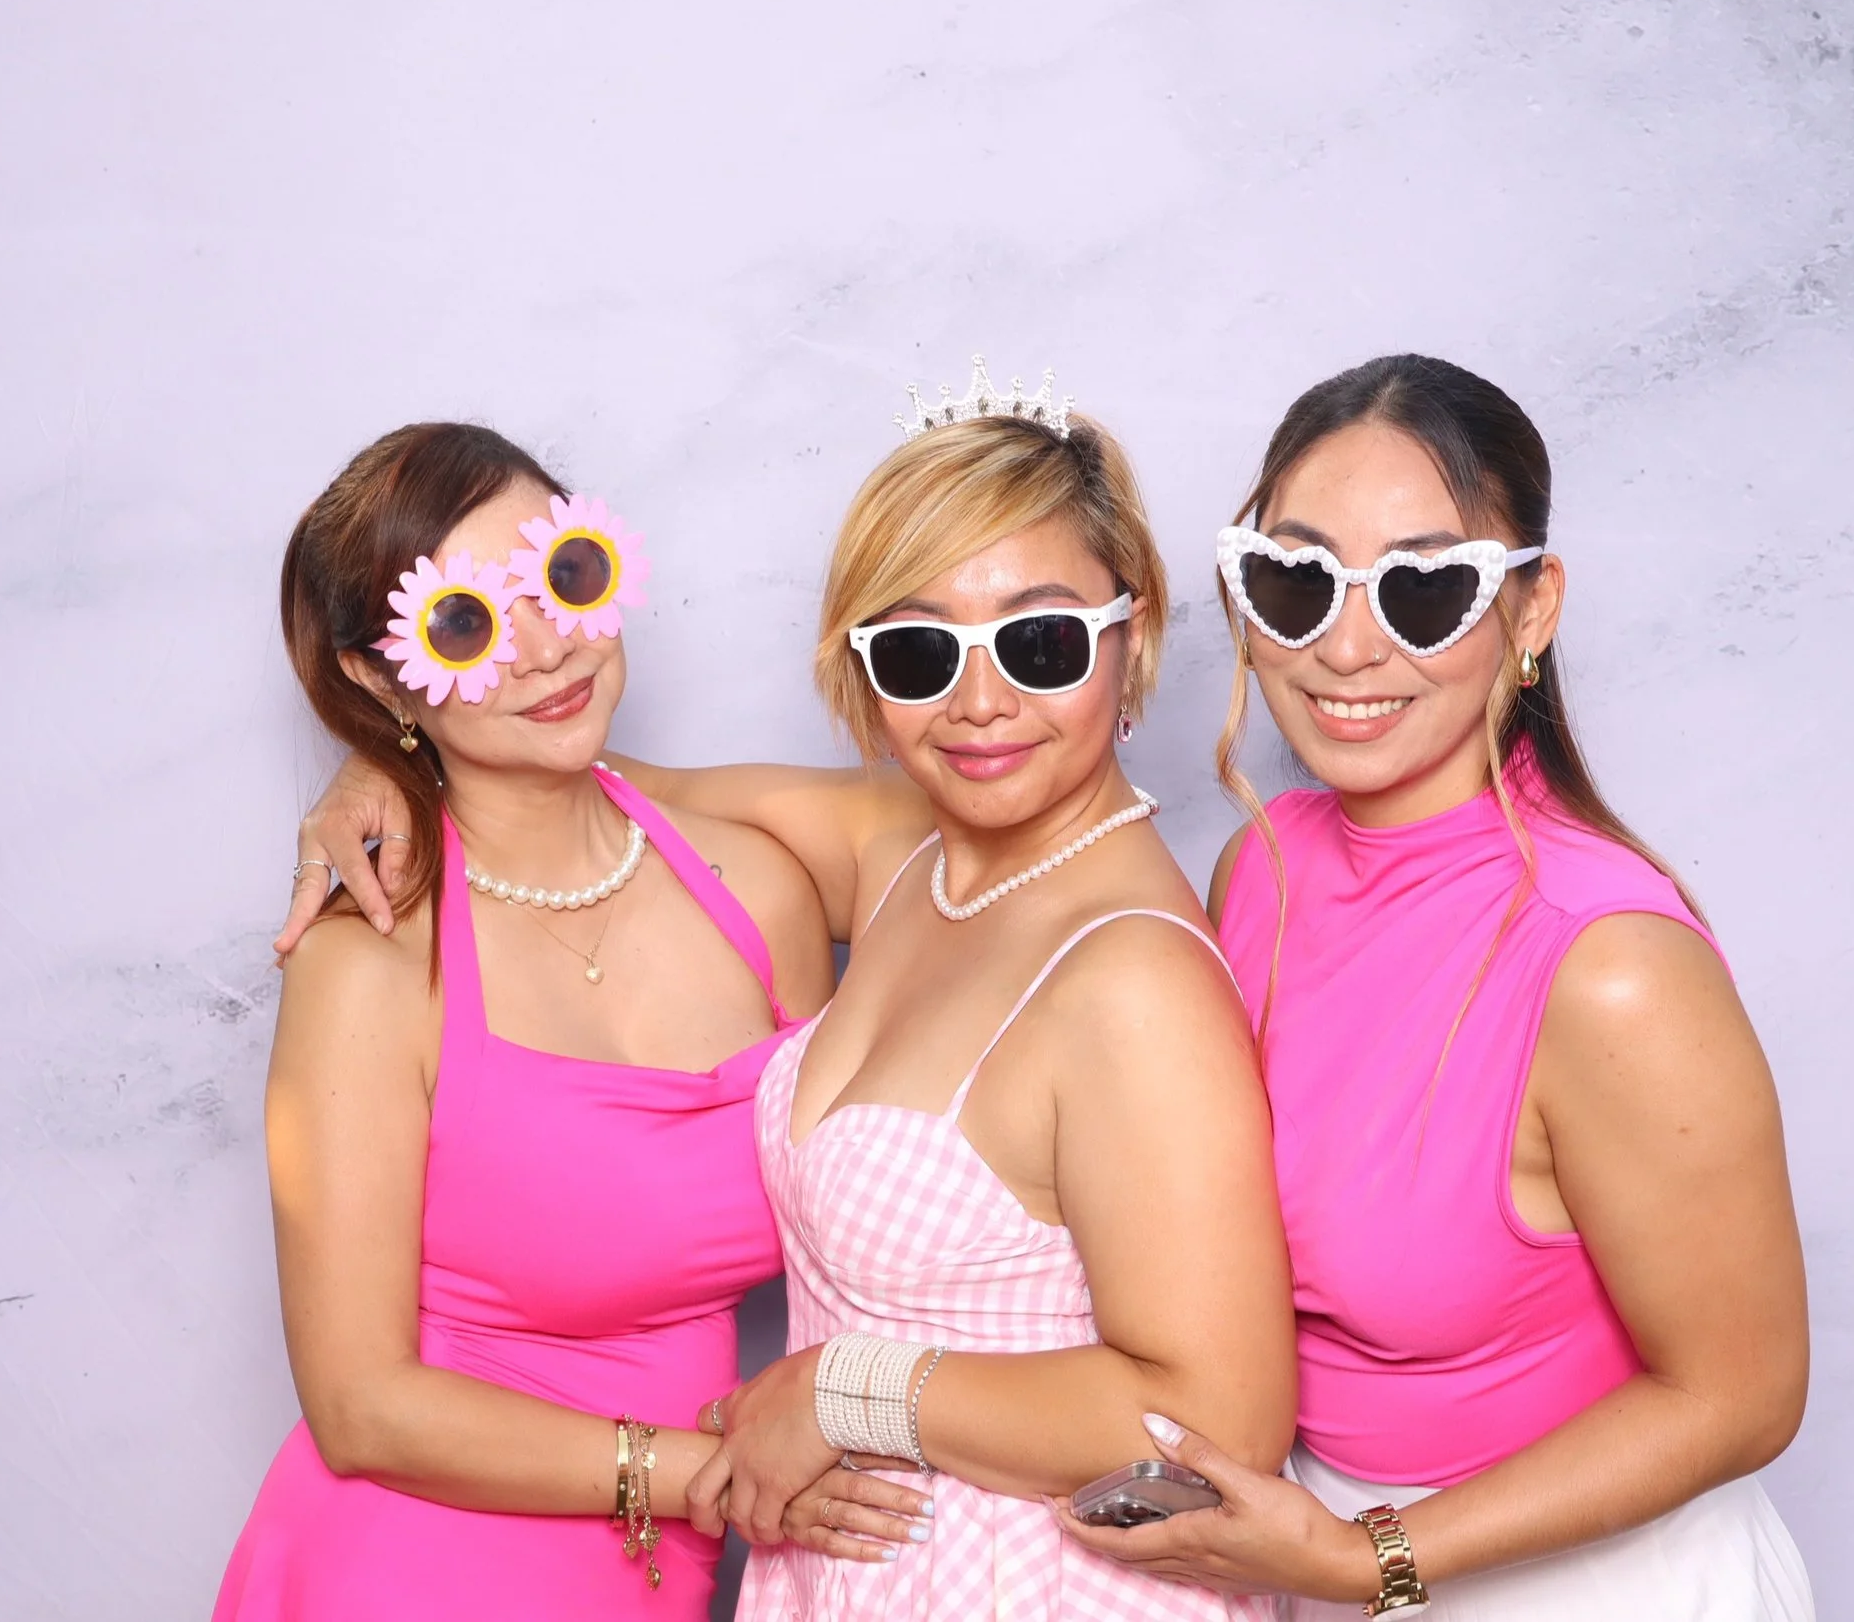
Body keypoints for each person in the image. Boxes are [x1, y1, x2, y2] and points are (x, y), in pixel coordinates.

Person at [283, 371, 1296, 1619]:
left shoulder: (1050, 936)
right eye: (921, 651)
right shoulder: (909, 854)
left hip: (942, 1569)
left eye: (1039, 641)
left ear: (1130, 640)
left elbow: (1221, 1414)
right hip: (560, 1558)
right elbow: (559, 779)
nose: (980, 701)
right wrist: (381, 757)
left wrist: (832, 1395)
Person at [1058, 354, 1814, 1618]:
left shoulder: (1610, 968)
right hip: (1307, 1566)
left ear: (1530, 610)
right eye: (1296, 581)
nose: (1347, 646)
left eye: (1424, 590)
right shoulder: (1260, 866)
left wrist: (1373, 1559)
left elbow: (1740, 1395)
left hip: (1590, 1585)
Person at [213, 421, 848, 1620]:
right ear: (373, 673)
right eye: (465, 624)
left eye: (562, 578)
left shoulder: (758, 891)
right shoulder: (371, 961)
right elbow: (359, 1408)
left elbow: (1002, 832)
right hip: (403, 1570)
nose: (545, 645)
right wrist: (706, 1474)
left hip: (669, 1566)